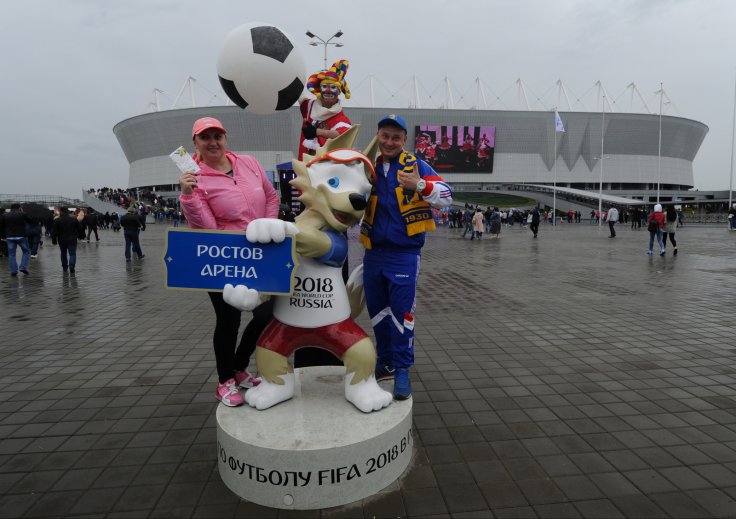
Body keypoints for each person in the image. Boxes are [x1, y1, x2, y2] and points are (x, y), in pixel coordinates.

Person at [179, 116, 280, 407]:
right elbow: (205, 227)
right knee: (228, 319)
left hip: (259, 253)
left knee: (267, 314)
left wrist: (265, 227)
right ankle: (224, 380)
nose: (212, 142)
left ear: (225, 138)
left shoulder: (248, 162)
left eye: (217, 136)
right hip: (223, 257)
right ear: (195, 143)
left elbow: (271, 197)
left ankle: (238, 366)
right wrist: (189, 196)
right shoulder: (195, 176)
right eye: (205, 138)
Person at [359, 114, 453, 399]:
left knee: (403, 315)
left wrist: (421, 186)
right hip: (373, 253)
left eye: (395, 138)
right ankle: (384, 361)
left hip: (404, 254)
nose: (389, 142)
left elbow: (447, 195)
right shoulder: (367, 166)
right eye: (384, 136)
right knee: (377, 313)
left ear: (404, 141)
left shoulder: (417, 166)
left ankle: (402, 369)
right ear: (377, 136)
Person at [298, 60, 352, 161]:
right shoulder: (309, 106)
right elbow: (298, 94)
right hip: (303, 166)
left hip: (324, 169)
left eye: (333, 87)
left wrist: (317, 132)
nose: (328, 91)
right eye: (324, 87)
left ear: (339, 92)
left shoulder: (340, 118)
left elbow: (344, 134)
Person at [0, 203, 32, 276]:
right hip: (21, 236)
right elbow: (30, 221)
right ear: (19, 207)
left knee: (11, 254)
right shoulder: (23, 214)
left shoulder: (5, 215)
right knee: (26, 251)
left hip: (10, 237)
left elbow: (1, 226)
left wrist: (3, 236)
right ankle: (23, 267)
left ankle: (13, 271)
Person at [51, 208, 85, 273]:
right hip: (72, 240)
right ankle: (71, 265)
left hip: (62, 240)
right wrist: (81, 236)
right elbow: (79, 229)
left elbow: (54, 232)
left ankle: (64, 267)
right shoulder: (73, 219)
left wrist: (54, 240)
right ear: (68, 212)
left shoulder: (57, 220)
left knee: (63, 254)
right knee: (72, 254)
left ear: (61, 212)